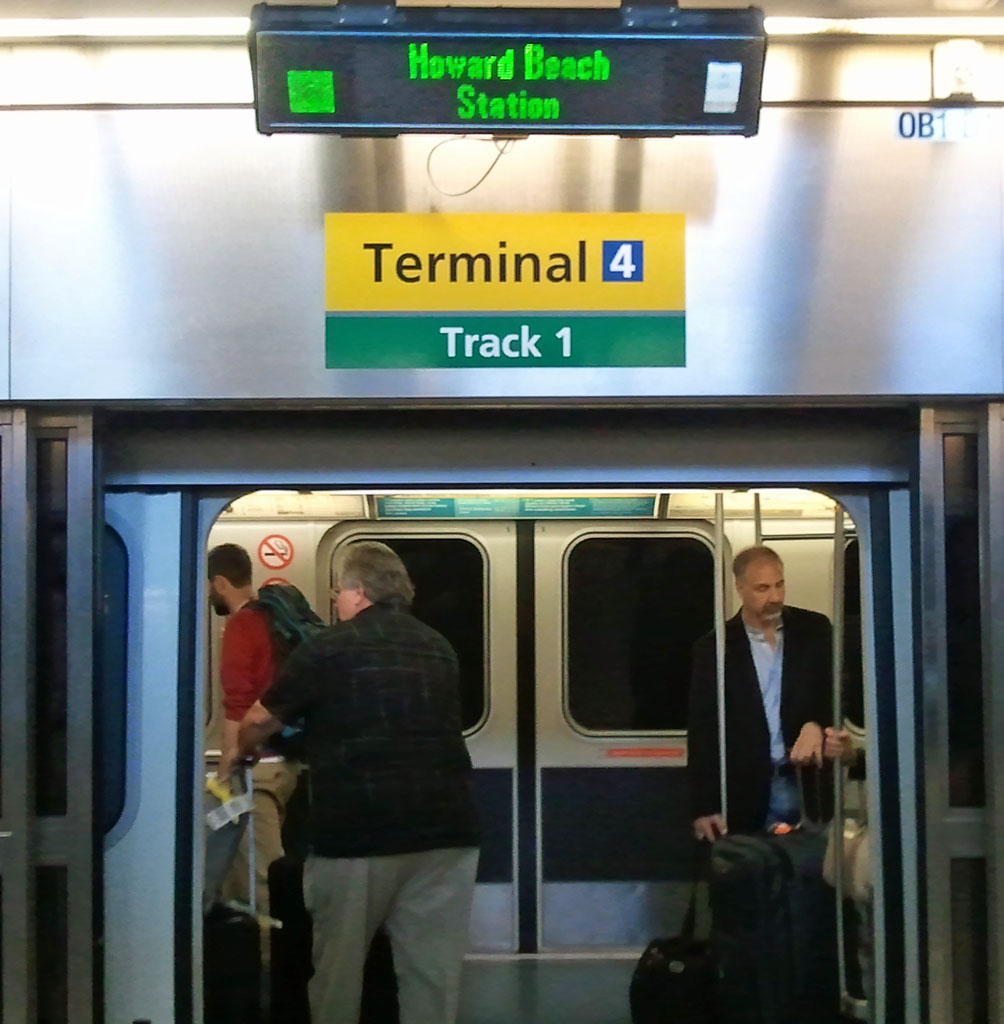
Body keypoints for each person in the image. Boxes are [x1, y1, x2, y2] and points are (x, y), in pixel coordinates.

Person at [236, 540, 480, 1024]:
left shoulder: (327, 648)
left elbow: (260, 719)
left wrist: (243, 749)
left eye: (339, 591)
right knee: (430, 979)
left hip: (355, 836)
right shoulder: (440, 647)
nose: (336, 601)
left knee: (337, 975)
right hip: (446, 833)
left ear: (359, 591)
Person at [688, 545, 832, 840]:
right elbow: (703, 729)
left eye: (780, 585)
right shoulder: (715, 648)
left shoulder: (814, 631)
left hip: (803, 778)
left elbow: (835, 692)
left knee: (811, 873)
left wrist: (816, 725)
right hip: (746, 784)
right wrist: (703, 805)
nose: (775, 597)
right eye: (762, 588)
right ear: (740, 588)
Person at [207, 542, 301, 917]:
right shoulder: (270, 620)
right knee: (254, 869)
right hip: (284, 764)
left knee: (258, 875)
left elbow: (237, 708)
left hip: (256, 770)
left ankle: (270, 966)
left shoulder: (241, 625)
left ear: (220, 582)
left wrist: (225, 773)